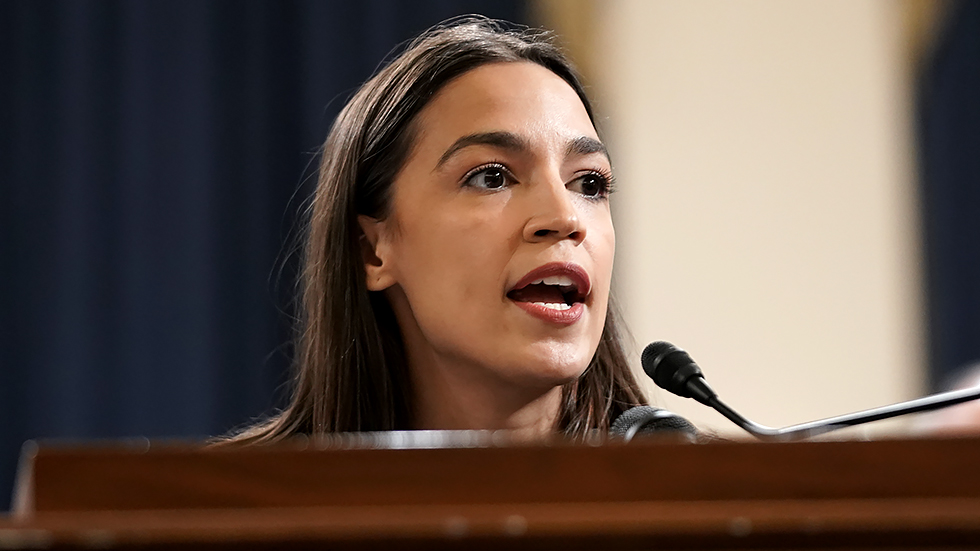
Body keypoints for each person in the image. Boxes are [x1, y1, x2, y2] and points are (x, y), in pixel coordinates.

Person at [229, 17, 647, 444]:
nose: (564, 219)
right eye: (491, 177)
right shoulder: (222, 505)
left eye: (589, 184)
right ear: (372, 250)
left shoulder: (689, 495)